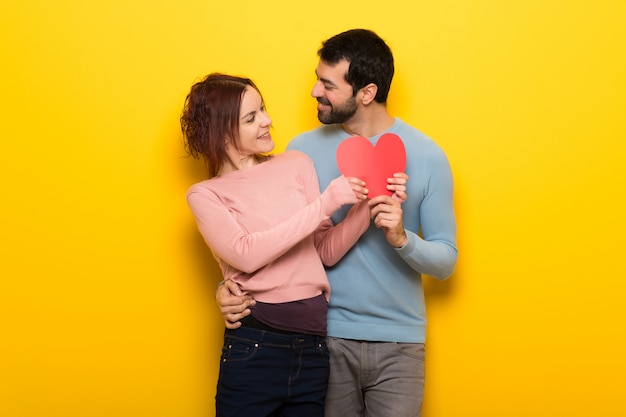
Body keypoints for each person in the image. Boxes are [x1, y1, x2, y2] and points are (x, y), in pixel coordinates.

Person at [216, 29, 458, 417]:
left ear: (366, 93)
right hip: (322, 342)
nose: (314, 90)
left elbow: (447, 260)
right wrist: (228, 285)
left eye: (327, 84)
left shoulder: (427, 156)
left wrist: (401, 238)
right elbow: (271, 237)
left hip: (400, 347)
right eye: (317, 78)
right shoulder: (300, 153)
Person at [180, 73, 406, 417]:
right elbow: (246, 253)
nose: (267, 121)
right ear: (221, 132)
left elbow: (325, 251)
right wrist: (326, 202)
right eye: (251, 117)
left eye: (263, 109)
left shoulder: (296, 165)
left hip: (313, 347)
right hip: (255, 347)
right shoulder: (206, 194)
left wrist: (372, 202)